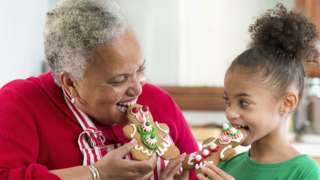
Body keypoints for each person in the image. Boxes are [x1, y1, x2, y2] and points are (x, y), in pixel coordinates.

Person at [0, 0, 199, 179]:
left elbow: (197, 171)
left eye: (140, 70)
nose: (137, 90)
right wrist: (96, 173)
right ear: (70, 83)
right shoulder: (20, 103)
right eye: (119, 80)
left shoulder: (159, 102)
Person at [197, 4, 320, 180]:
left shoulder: (304, 172)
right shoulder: (225, 165)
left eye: (244, 103)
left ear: (287, 103)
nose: (230, 113)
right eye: (227, 101)